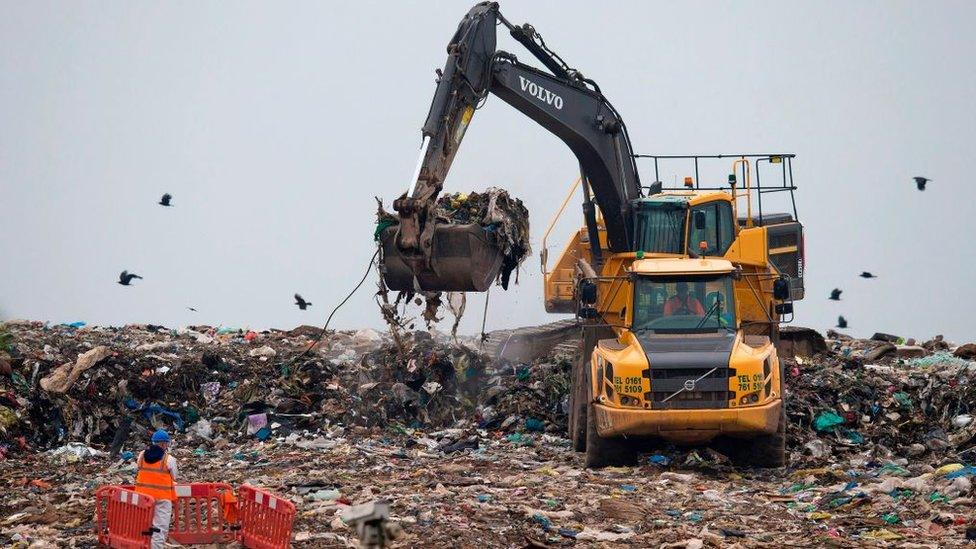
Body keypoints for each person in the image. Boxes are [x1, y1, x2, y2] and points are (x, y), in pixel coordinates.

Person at [134, 429, 179, 549]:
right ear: (165, 444)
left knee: (143, 525)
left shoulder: (142, 455)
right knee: (159, 527)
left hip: (143, 498)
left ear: (153, 442)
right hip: (162, 498)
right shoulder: (168, 459)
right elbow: (175, 476)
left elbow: (139, 467)